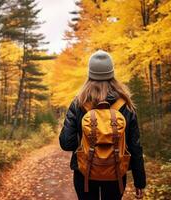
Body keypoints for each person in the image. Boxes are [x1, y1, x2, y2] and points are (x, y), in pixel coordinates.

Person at [59, 50, 146, 200]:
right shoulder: (125, 104)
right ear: (112, 74)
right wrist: (140, 181)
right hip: (116, 174)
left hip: (84, 173)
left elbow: (67, 143)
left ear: (90, 74)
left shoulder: (79, 103)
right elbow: (135, 146)